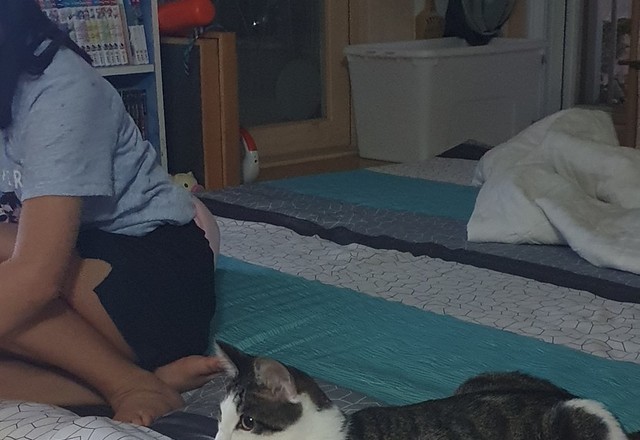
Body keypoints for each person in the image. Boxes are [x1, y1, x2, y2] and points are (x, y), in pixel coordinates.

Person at [0, 0, 221, 426]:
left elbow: (37, 276)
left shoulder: (60, 88)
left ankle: (126, 382)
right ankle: (138, 381)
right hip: (70, 274)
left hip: (153, 276)